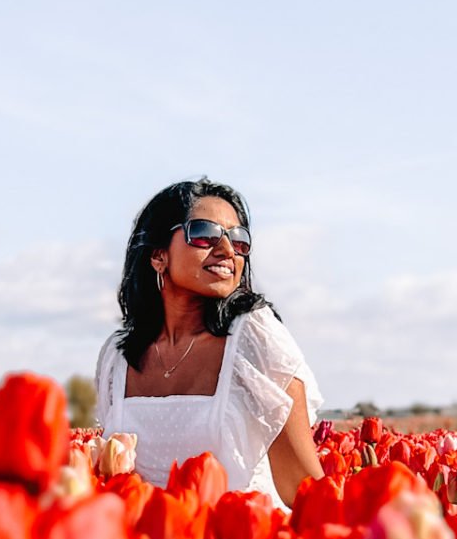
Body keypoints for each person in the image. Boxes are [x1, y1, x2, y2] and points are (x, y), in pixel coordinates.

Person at [95, 178, 325, 506]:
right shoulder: (117, 358)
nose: (228, 250)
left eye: (240, 240)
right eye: (205, 233)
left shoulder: (254, 339)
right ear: (158, 255)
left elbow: (302, 489)